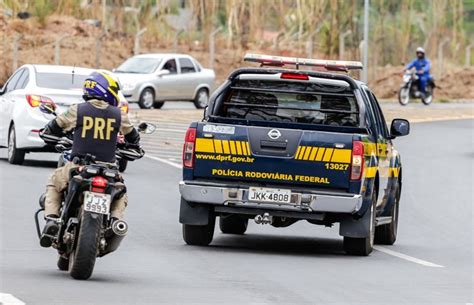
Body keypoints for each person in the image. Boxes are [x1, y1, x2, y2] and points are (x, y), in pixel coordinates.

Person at [39, 70, 140, 248]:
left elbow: (54, 127)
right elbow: (133, 138)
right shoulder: (118, 114)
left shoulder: (77, 110)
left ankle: (52, 219)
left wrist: (49, 132)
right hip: (108, 170)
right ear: (107, 90)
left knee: (54, 182)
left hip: (78, 166)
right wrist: (131, 145)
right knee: (121, 194)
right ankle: (116, 222)